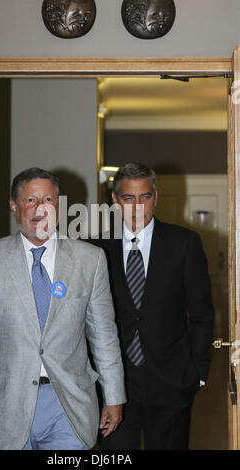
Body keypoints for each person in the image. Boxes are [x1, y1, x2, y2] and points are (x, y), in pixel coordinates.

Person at [0, 167, 126, 450]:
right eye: (31, 201)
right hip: (6, 406)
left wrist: (114, 396)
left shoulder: (91, 260)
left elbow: (104, 335)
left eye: (49, 200)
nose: (41, 208)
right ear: (15, 208)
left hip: (69, 405)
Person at [89, 163, 214, 450]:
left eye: (144, 197)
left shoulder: (184, 244)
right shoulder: (95, 249)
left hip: (172, 382)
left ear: (155, 198)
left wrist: (198, 374)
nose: (137, 206)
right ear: (115, 200)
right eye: (129, 198)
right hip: (114, 386)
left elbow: (202, 314)